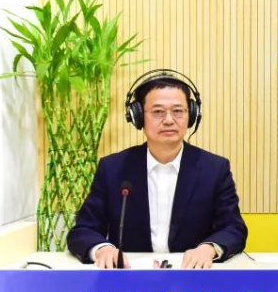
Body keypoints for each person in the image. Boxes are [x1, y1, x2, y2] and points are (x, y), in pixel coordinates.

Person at [67, 70, 247, 268]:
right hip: (131, 276)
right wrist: (102, 249)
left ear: (191, 115)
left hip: (192, 276)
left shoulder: (214, 169)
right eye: (158, 112)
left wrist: (209, 248)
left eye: (178, 111)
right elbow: (83, 230)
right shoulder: (113, 169)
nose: (168, 120)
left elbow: (233, 228)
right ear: (137, 117)